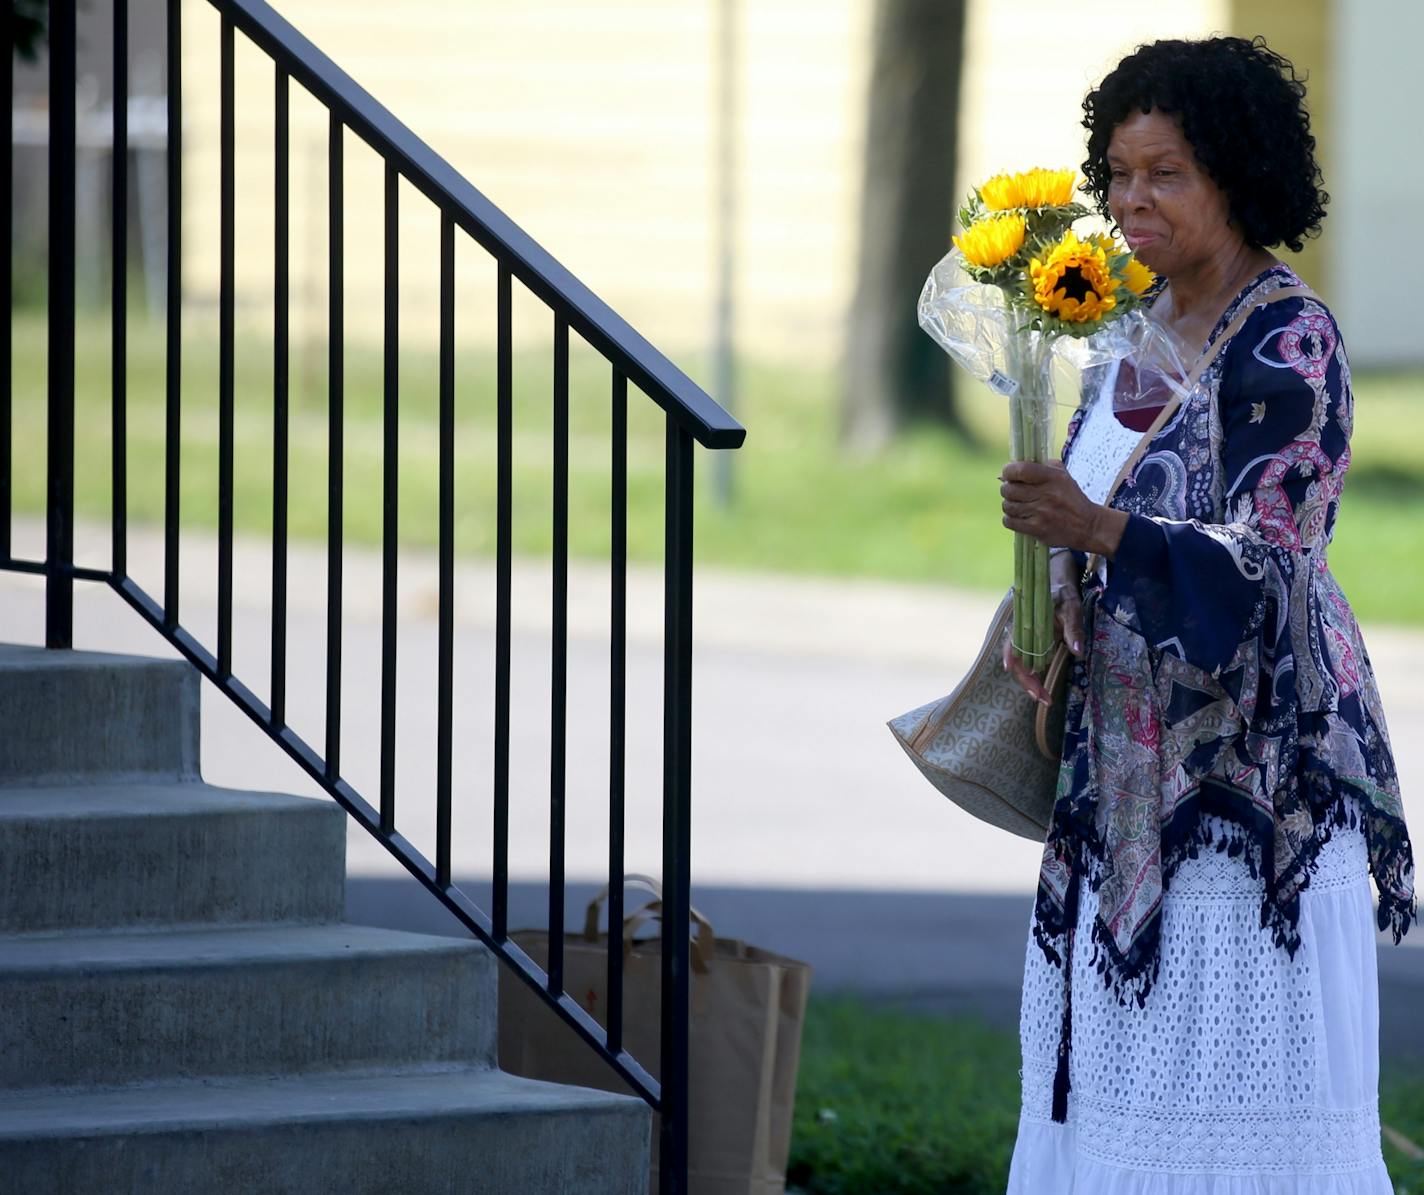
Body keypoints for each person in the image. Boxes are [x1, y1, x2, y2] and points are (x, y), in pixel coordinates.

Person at [996, 36, 1417, 1191]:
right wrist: (1058, 607)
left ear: (1235, 176)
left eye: (1164, 172)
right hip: (1121, 791)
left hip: (1245, 804)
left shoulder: (1286, 339)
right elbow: (1114, 523)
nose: (1130, 200)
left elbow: (1272, 571)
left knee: (1233, 1123)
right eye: (1118, 172)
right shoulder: (1125, 336)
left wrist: (1094, 535)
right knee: (1121, 1119)